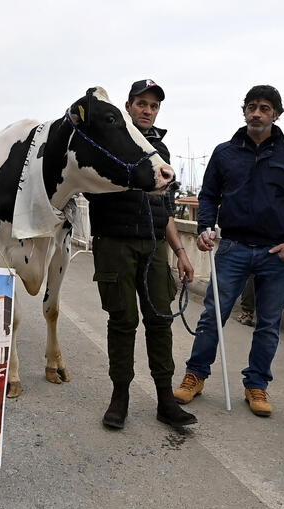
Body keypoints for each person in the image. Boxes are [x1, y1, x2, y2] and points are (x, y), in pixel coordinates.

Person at [173, 85, 284, 417]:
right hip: (232, 248)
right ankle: (195, 375)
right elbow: (208, 195)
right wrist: (206, 227)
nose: (257, 113)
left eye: (265, 108)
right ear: (244, 111)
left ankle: (257, 385)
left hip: (275, 252)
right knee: (213, 317)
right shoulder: (224, 153)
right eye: (252, 107)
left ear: (276, 114)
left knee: (268, 324)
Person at [87, 79, 197, 430]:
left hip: (153, 246)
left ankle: (165, 400)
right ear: (129, 106)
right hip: (115, 243)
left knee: (160, 322)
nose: (148, 111)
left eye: (153, 106)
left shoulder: (159, 151)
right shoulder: (109, 141)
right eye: (142, 104)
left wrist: (180, 252)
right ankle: (120, 397)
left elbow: (164, 209)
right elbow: (89, 187)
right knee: (122, 322)